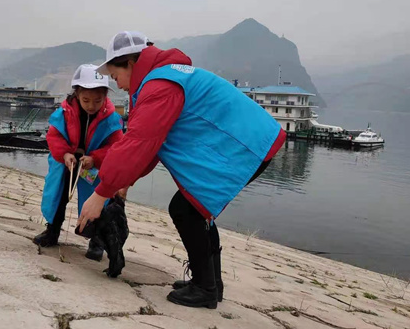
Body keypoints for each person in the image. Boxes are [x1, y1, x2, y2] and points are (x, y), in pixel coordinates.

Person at [76, 31, 286, 309]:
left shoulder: (159, 86)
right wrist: (122, 182)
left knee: (186, 209)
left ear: (130, 63)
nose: (118, 84)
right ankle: (210, 283)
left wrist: (101, 193)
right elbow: (149, 146)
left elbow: (138, 144)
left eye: (115, 76)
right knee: (196, 208)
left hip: (247, 145)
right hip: (250, 142)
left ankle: (205, 288)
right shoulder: (164, 76)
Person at [33, 64, 124, 262]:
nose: (91, 106)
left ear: (105, 97)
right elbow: (54, 136)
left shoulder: (111, 119)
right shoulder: (64, 113)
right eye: (86, 100)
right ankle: (52, 230)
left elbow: (116, 146)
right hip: (67, 163)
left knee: (98, 201)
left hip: (93, 167)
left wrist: (95, 158)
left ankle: (97, 241)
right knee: (58, 196)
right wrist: (65, 154)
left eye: (97, 101)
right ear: (77, 94)